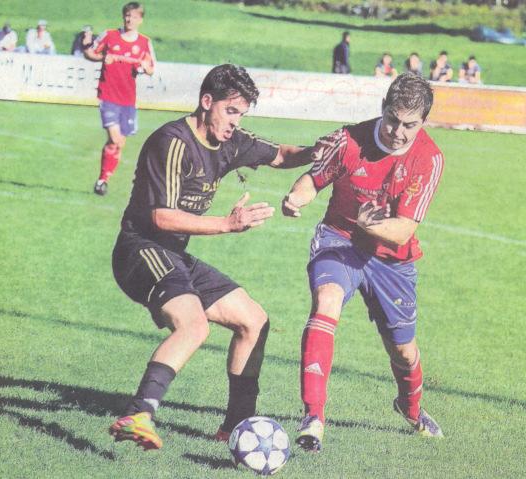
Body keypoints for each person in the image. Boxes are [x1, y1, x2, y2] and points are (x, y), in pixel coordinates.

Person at [108, 63, 310, 450]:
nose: (235, 122)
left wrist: (331, 149)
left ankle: (236, 426)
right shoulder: (172, 141)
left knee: (253, 320)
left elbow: (283, 155)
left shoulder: (230, 141)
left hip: (173, 254)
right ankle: (140, 413)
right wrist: (227, 224)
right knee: (194, 326)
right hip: (139, 250)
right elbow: (160, 216)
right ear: (206, 102)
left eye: (242, 114)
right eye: (231, 111)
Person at [281, 73, 445, 452]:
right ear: (382, 109)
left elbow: (403, 231)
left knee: (403, 351)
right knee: (327, 303)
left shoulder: (429, 158)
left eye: (409, 125)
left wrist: (375, 225)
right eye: (392, 119)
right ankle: (313, 416)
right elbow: (312, 179)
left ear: (422, 123)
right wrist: (296, 198)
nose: (398, 132)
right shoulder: (349, 139)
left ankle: (411, 408)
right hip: (340, 240)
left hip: (392, 260)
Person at [84, 2, 156, 196]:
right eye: (126, 15)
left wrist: (143, 66)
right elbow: (90, 52)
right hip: (108, 95)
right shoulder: (109, 35)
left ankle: (103, 180)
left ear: (140, 19)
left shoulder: (144, 42)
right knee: (115, 138)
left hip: (128, 100)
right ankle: (102, 180)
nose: (128, 19)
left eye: (133, 16)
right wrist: (102, 58)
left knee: (119, 143)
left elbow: (151, 68)